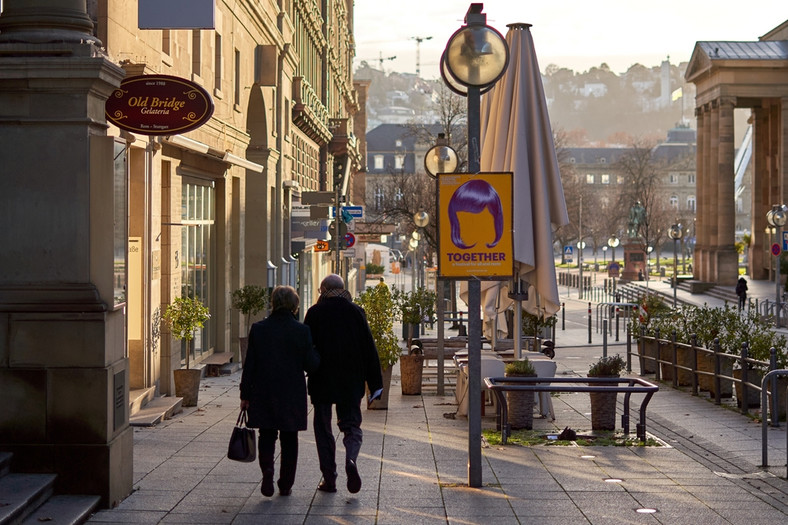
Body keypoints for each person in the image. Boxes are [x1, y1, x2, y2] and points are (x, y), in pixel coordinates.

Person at [304, 274, 383, 494]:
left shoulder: (314, 313)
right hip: (351, 380)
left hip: (322, 380)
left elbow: (306, 347)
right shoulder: (356, 312)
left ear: (323, 290)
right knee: (351, 426)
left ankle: (329, 478)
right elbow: (369, 348)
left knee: (323, 427)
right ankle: (351, 459)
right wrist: (375, 383)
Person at [240, 285, 320, 497]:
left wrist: (245, 395)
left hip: (263, 390)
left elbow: (250, 365)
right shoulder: (302, 331)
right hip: (291, 392)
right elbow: (310, 365)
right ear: (295, 306)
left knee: (266, 434)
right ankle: (285, 484)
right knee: (289, 438)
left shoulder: (259, 329)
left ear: (273, 304)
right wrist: (317, 354)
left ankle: (267, 471)